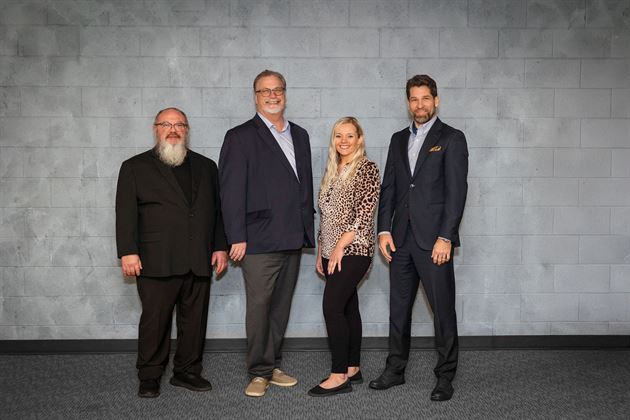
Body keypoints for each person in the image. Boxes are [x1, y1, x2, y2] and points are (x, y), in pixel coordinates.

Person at [115, 107, 228, 398]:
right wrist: (128, 252)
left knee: (195, 321)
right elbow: (125, 214)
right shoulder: (135, 167)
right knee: (155, 322)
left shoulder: (206, 166)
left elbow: (217, 212)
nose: (173, 130)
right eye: (166, 124)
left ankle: (187, 371)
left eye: (179, 125)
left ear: (187, 131)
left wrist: (219, 246)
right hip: (156, 259)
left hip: (198, 256)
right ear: (156, 129)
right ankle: (149, 375)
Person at [369, 75, 468, 401]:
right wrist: (384, 230)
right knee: (398, 309)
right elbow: (389, 188)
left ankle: (445, 376)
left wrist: (446, 237)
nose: (420, 105)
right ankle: (395, 370)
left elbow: (456, 193)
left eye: (426, 98)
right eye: (414, 99)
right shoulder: (398, 139)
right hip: (400, 240)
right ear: (408, 102)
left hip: (434, 241)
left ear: (436, 100)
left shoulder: (451, 138)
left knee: (443, 311)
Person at [218, 70, 315, 397]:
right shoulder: (240, 136)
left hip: (293, 236)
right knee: (260, 307)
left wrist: (307, 229)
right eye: (265, 91)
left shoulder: (299, 135)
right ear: (255, 96)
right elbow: (231, 191)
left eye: (277, 90)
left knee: (280, 306)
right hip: (257, 238)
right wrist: (236, 236)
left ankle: (272, 365)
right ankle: (258, 372)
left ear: (284, 94)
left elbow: (303, 185)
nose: (272, 95)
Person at [307, 117, 380, 397]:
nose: (344, 141)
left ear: (360, 139)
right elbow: (326, 217)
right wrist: (321, 250)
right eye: (339, 135)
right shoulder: (332, 170)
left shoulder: (367, 169)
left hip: (354, 250)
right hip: (330, 251)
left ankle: (338, 376)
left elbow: (364, 215)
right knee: (348, 306)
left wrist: (338, 247)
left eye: (350, 135)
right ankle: (352, 367)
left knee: (332, 307)